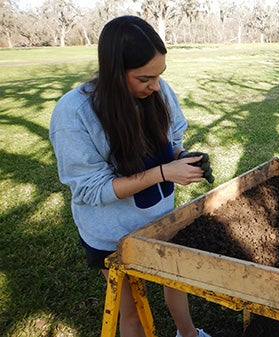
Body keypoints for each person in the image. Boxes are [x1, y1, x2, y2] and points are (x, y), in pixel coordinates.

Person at [49, 16, 211, 337]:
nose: (155, 86)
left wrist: (183, 158)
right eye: (144, 79)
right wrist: (164, 172)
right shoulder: (74, 113)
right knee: (133, 310)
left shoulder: (158, 90)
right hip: (114, 236)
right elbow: (94, 190)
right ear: (113, 71)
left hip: (162, 220)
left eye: (159, 75)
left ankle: (188, 334)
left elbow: (171, 143)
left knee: (175, 283)